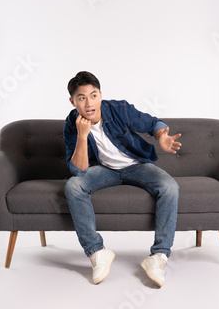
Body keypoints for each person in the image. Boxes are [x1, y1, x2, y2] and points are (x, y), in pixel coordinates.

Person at [63, 71, 182, 287]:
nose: (89, 103)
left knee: (170, 187)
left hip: (136, 166)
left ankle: (159, 257)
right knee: (74, 186)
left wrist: (161, 136)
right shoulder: (72, 124)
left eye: (93, 95)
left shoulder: (119, 109)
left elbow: (151, 122)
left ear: (100, 95)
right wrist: (82, 136)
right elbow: (78, 171)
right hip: (104, 170)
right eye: (81, 98)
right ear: (73, 101)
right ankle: (97, 252)